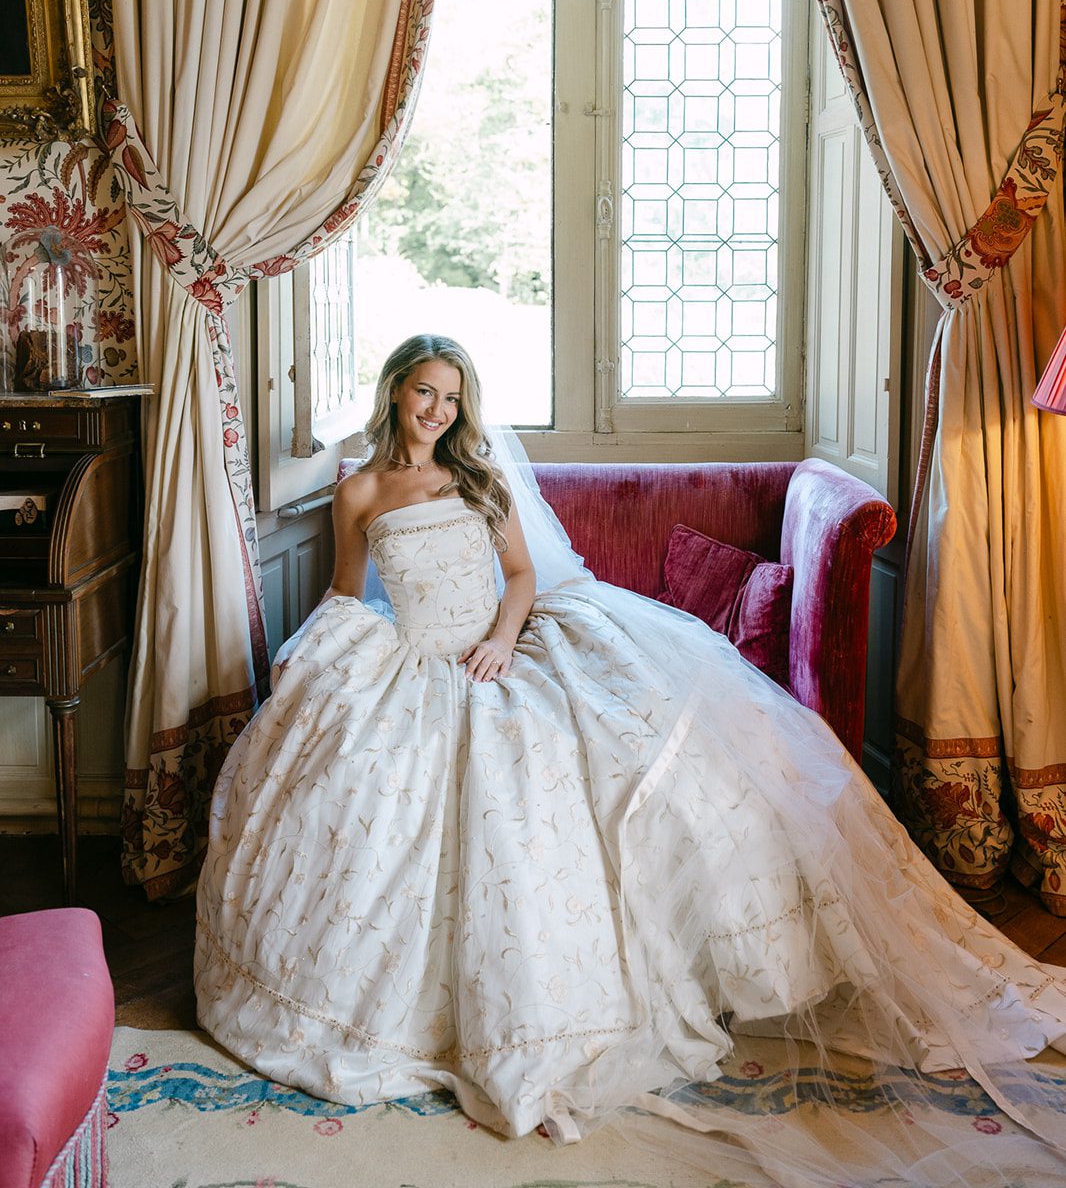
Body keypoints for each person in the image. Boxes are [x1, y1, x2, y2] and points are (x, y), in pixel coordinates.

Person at [196, 334, 1066, 1185]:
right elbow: (348, 593)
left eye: (452, 398)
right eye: (425, 391)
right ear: (395, 389)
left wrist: (500, 641)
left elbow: (522, 577)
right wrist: (325, 657)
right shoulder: (357, 492)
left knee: (594, 764)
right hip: (414, 663)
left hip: (500, 651)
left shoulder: (479, 477)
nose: (438, 410)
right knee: (364, 794)